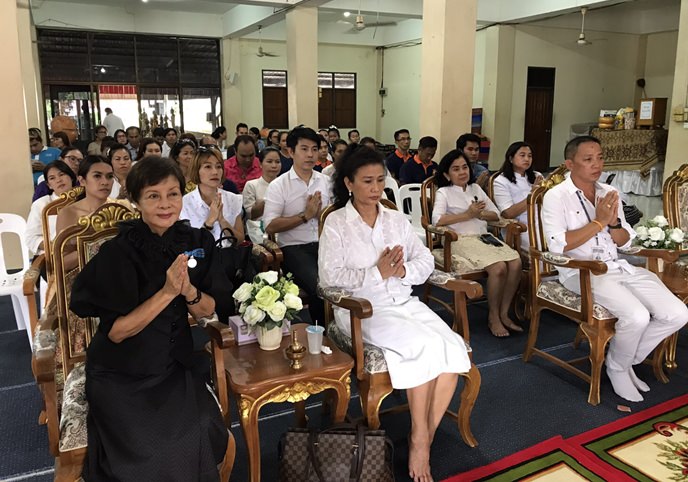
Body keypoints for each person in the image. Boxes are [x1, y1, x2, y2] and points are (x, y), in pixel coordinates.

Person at [69, 157, 230, 480]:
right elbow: (117, 333)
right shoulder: (119, 252)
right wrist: (168, 292)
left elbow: (210, 309)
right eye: (153, 196)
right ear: (136, 200)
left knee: (202, 428)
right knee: (152, 448)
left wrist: (189, 293)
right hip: (122, 371)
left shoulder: (196, 242)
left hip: (172, 366)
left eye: (172, 194)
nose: (166, 204)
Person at [319, 145, 471, 482]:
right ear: (348, 183)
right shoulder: (337, 224)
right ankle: (420, 440)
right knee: (422, 345)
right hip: (362, 311)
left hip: (402, 302)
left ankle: (422, 438)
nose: (375, 189)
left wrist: (401, 273)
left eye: (380, 181)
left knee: (452, 346)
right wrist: (379, 273)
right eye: (367, 181)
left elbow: (425, 260)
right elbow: (330, 282)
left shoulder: (395, 218)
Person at [542, 136, 688, 402]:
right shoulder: (556, 197)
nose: (596, 164)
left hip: (618, 266)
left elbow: (626, 241)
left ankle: (626, 359)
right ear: (569, 164)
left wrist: (614, 224)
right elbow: (558, 246)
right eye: (588, 159)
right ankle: (618, 368)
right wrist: (598, 222)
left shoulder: (608, 193)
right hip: (582, 271)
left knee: (677, 313)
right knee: (637, 316)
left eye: (600, 157)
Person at [432, 150, 522, 338]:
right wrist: (468, 215)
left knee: (516, 263)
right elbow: (437, 221)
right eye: (456, 169)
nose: (462, 172)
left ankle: (504, 313)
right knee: (498, 268)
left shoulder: (475, 189)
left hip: (483, 237)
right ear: (447, 174)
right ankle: (493, 316)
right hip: (460, 239)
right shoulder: (444, 192)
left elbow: (495, 214)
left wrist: (480, 215)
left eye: (464, 167)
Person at [263, 127, 331, 324]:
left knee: (349, 278)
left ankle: (346, 328)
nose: (310, 154)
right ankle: (325, 333)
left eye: (314, 149)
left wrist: (321, 215)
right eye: (304, 149)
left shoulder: (326, 182)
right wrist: (304, 216)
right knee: (320, 285)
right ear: (291, 152)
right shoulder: (279, 185)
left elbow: (337, 219)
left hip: (326, 244)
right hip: (294, 249)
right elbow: (270, 226)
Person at [55, 155, 115, 271]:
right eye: (97, 176)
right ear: (82, 180)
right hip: (86, 278)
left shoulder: (121, 208)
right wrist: (95, 246)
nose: (105, 182)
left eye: (109, 177)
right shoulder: (68, 213)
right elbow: (62, 264)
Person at [181, 148, 244, 243]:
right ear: (196, 170)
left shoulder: (233, 199)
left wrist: (222, 221)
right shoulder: (184, 204)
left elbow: (239, 240)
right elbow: (188, 245)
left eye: (218, 167)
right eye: (208, 167)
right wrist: (209, 222)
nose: (215, 172)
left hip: (228, 255)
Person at [492, 141, 544, 250]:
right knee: (543, 246)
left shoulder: (537, 175)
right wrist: (533, 194)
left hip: (543, 220)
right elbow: (507, 213)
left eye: (529, 156)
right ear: (511, 159)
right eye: (522, 155)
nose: (527, 159)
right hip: (522, 227)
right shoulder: (501, 181)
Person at [26, 161, 77, 257]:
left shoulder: (84, 200)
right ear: (49, 185)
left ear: (72, 177)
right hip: (53, 256)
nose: (58, 180)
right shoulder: (41, 204)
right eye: (52, 178)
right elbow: (31, 238)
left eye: (62, 175)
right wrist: (56, 247)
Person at [243, 147, 282, 243]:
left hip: (283, 230)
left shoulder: (286, 184)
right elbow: (249, 215)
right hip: (259, 233)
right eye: (269, 161)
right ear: (260, 164)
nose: (274, 165)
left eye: (277, 162)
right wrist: (268, 200)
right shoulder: (252, 185)